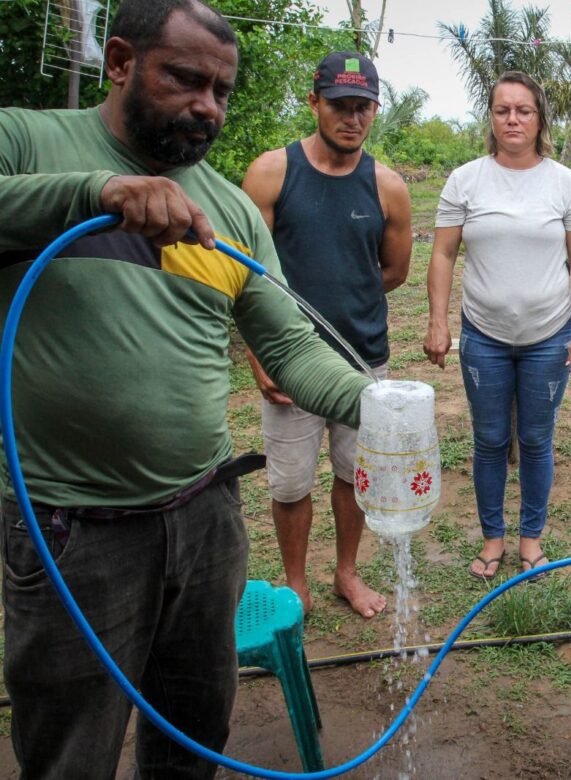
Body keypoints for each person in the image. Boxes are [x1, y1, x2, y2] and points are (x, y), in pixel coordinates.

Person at [0, 1, 372, 776]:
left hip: (206, 521)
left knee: (193, 734)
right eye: (185, 79)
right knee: (72, 750)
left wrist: (379, 405)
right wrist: (97, 193)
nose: (207, 105)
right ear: (121, 62)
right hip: (75, 530)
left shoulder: (231, 212)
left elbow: (292, 347)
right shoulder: (27, 140)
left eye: (222, 90)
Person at [241, 51, 412, 619]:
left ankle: (346, 572)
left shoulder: (388, 187)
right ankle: (295, 581)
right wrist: (262, 357)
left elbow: (393, 272)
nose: (352, 119)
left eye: (363, 108)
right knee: (289, 483)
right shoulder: (271, 173)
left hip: (363, 360)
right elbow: (241, 278)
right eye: (340, 106)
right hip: (289, 365)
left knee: (353, 475)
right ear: (313, 102)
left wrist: (346, 301)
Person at [424, 71, 571, 581]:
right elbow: (443, 253)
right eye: (503, 110)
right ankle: (493, 541)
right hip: (483, 337)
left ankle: (532, 542)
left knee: (538, 440)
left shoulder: (565, 183)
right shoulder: (465, 179)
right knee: (491, 440)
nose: (513, 119)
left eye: (524, 110)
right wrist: (437, 322)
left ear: (540, 118)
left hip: (548, 335)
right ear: (492, 118)